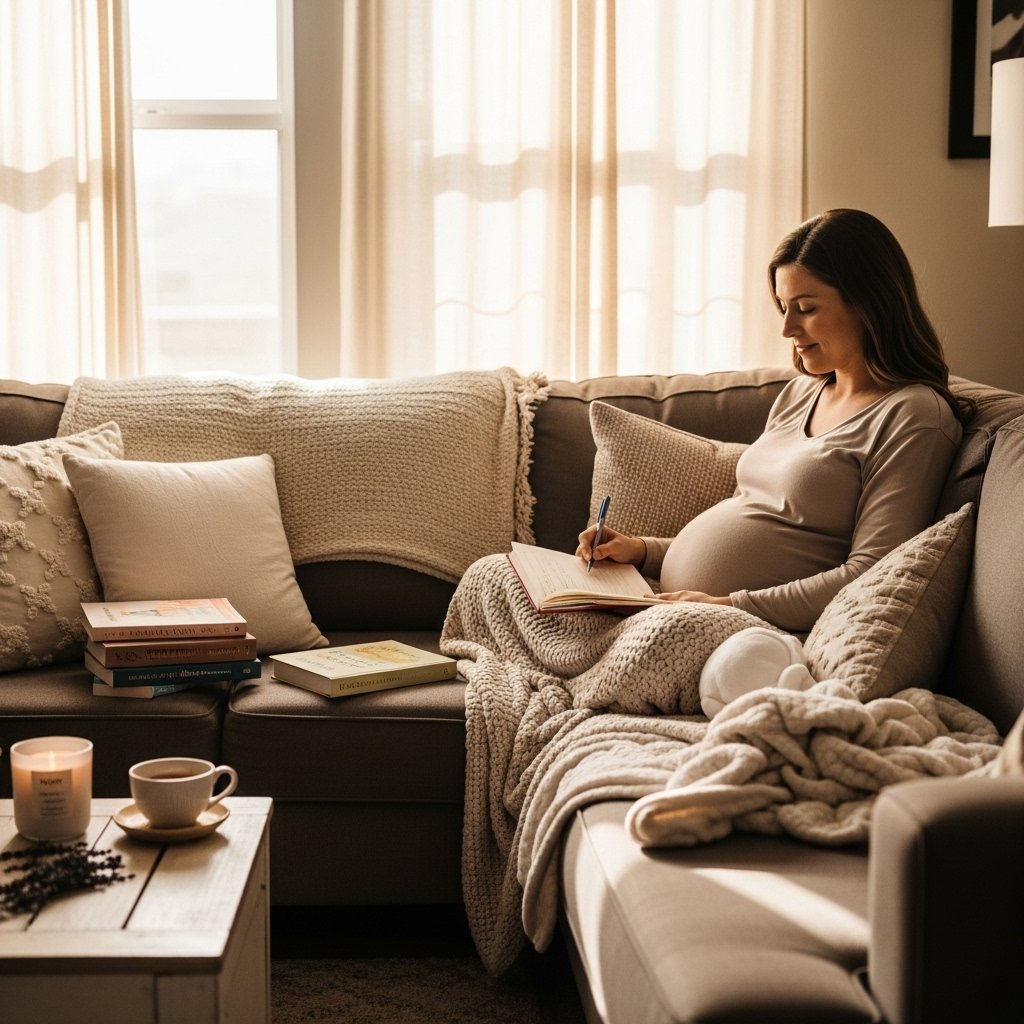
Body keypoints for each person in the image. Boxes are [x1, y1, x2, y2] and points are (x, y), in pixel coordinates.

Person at [576, 208, 973, 634]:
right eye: (784, 307)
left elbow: (871, 574)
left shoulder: (913, 417)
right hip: (689, 607)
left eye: (805, 308)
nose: (787, 328)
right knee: (498, 576)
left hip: (751, 629)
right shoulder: (802, 392)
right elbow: (759, 521)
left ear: (869, 304)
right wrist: (640, 551)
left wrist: (725, 605)